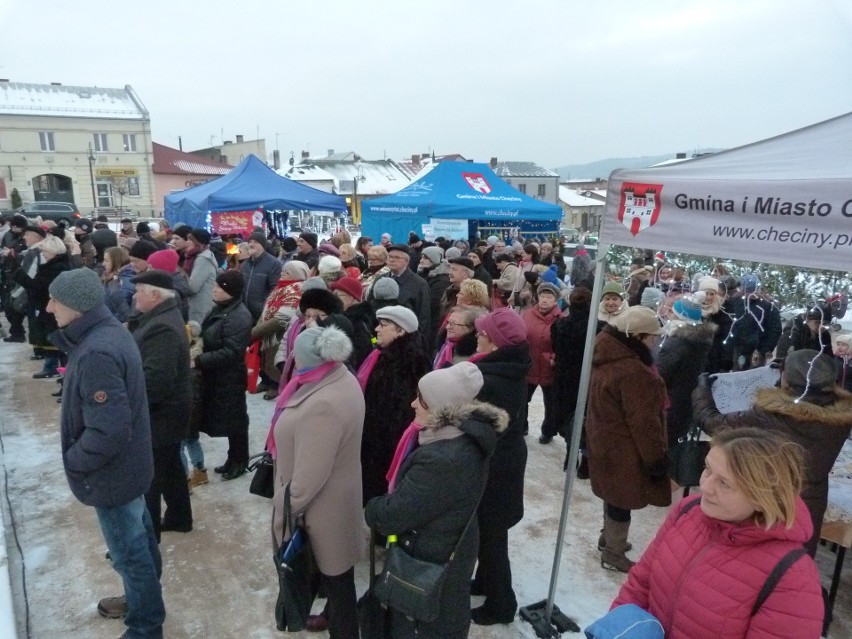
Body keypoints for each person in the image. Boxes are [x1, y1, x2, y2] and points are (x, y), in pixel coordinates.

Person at [613, 428, 824, 638]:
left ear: (763, 498)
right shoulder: (688, 512)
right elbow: (640, 584)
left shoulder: (791, 577)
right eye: (707, 469)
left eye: (724, 483)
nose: (705, 486)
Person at [47, 268, 165, 637]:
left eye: (56, 301)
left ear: (78, 307)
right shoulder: (108, 332)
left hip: (112, 473)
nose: (50, 308)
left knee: (130, 554)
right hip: (128, 467)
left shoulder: (97, 349)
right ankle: (142, 598)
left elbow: (109, 429)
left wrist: (75, 460)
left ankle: (145, 625)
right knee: (140, 542)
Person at [365, 363, 507, 639]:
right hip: (448, 553)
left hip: (430, 564)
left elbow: (393, 515)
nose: (413, 404)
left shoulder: (442, 459)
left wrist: (372, 507)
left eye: (422, 401)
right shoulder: (463, 437)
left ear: (442, 409)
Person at [693, 349, 852, 556]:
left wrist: (702, 391)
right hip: (810, 504)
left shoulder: (770, 415)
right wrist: (790, 380)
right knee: (791, 562)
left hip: (766, 498)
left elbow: (713, 423)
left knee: (756, 561)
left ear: (787, 379)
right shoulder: (842, 419)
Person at [272, 325, 365, 639]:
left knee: (337, 586)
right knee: (339, 583)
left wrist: (283, 506)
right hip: (338, 502)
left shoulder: (322, 403)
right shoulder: (340, 377)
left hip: (322, 510)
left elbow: (311, 475)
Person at [586, 305, 669, 572]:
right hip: (625, 448)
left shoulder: (605, 353)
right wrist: (656, 460)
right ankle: (613, 552)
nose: (656, 340)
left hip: (603, 440)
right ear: (638, 336)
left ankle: (608, 538)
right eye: (652, 336)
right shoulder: (634, 372)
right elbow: (644, 424)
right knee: (622, 499)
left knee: (612, 492)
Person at [466, 306, 532, 625]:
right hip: (503, 463)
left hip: (497, 468)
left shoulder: (491, 377)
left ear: (494, 343)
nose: (476, 337)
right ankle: (484, 582)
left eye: (481, 333)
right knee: (488, 533)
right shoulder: (507, 367)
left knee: (492, 538)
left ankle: (502, 604)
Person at [129, 269, 193, 540]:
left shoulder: (161, 327)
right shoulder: (158, 318)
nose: (134, 297)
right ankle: (179, 518)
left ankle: (146, 534)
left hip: (162, 414)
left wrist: (131, 404)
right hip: (169, 412)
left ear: (155, 296)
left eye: (139, 291)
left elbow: (155, 381)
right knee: (170, 470)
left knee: (149, 480)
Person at [358, 305, 431, 504]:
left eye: (383, 325)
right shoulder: (383, 355)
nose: (376, 329)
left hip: (386, 448)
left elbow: (400, 413)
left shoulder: (410, 363)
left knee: (382, 495)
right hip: (374, 442)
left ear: (401, 331)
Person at [194, 271, 253, 480]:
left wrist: (199, 360)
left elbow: (232, 351)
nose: (214, 289)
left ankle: (239, 461)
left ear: (229, 290)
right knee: (229, 419)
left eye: (219, 286)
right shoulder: (221, 309)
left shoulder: (238, 316)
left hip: (229, 376)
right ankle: (233, 458)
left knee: (235, 420)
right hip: (217, 375)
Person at [551, 286, 605, 475]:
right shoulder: (598, 327)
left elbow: (555, 349)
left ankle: (570, 457)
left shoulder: (559, 324)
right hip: (589, 377)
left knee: (569, 418)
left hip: (564, 378)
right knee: (588, 419)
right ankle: (586, 463)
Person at [657, 294, 717, 448]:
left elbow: (660, 375)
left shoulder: (676, 344)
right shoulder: (701, 342)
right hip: (685, 404)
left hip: (668, 403)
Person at [14, 233, 72, 378]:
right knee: (51, 338)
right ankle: (56, 368)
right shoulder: (56, 265)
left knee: (55, 338)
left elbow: (41, 288)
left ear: (53, 251)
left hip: (51, 307)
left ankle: (59, 369)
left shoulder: (56, 267)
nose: (43, 254)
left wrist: (21, 277)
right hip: (48, 306)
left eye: (45, 251)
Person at [523, 282, 563, 444]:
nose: (545, 300)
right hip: (529, 364)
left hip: (550, 367)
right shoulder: (527, 315)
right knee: (522, 399)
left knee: (551, 403)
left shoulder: (561, 319)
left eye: (549, 297)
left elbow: (563, 344)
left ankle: (548, 432)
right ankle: (521, 426)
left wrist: (555, 357)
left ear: (555, 300)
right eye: (542, 296)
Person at [368, 244, 431, 338]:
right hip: (378, 336)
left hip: (405, 340)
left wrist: (418, 343)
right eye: (390, 257)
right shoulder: (380, 279)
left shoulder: (419, 284)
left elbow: (424, 317)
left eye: (397, 257)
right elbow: (369, 305)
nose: (392, 260)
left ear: (406, 261)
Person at [239, 231, 282, 322]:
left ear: (262, 245)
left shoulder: (273, 263)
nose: (251, 244)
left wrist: (265, 308)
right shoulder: (244, 265)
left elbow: (275, 289)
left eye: (256, 242)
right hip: (244, 313)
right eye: (250, 241)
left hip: (261, 314)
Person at [417, 245, 450, 349]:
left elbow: (432, 303)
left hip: (432, 323)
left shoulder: (441, 279)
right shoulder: (424, 274)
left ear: (434, 259)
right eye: (422, 257)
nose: (421, 260)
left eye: (426, 258)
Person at [183, 228, 219, 324]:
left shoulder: (202, 259)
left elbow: (193, 287)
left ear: (199, 242)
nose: (187, 242)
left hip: (200, 309)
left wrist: (181, 276)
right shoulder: (197, 257)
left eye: (191, 240)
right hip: (201, 307)